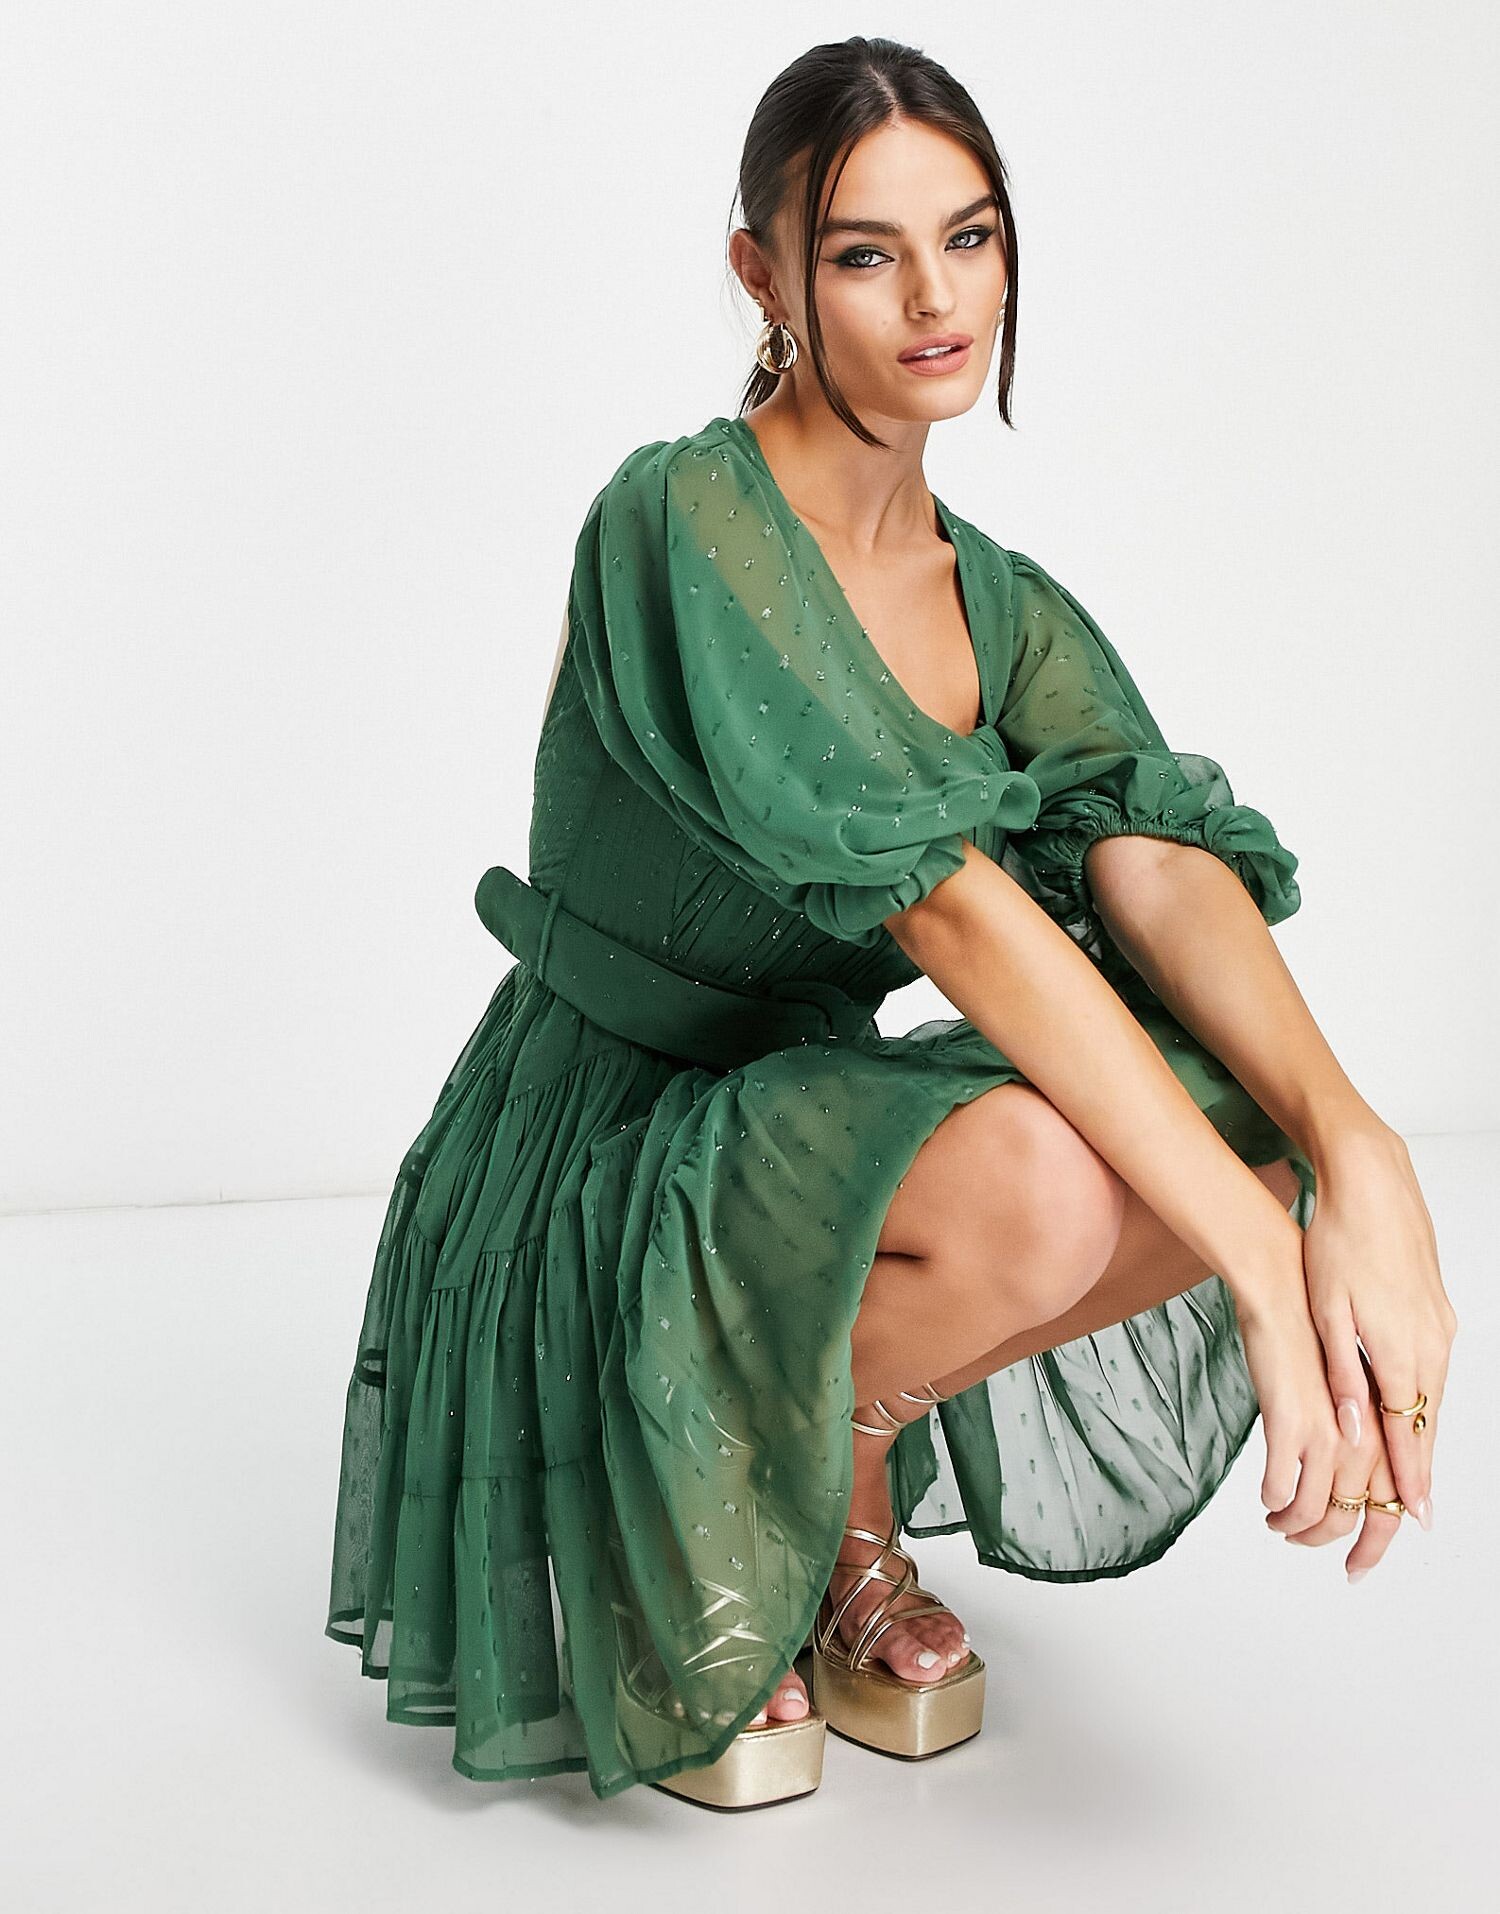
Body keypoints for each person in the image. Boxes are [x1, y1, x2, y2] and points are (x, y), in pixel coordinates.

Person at [325, 35, 1456, 1811]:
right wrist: (1256, 1257)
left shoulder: (994, 601)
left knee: (1247, 1123)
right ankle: (690, 1493)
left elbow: (1159, 859)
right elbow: (953, 914)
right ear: (763, 275)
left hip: (795, 1128)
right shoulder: (681, 515)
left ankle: (824, 1467)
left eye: (971, 237)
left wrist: (1353, 1147)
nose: (937, 298)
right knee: (1081, 1178)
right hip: (598, 1153)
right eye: (866, 252)